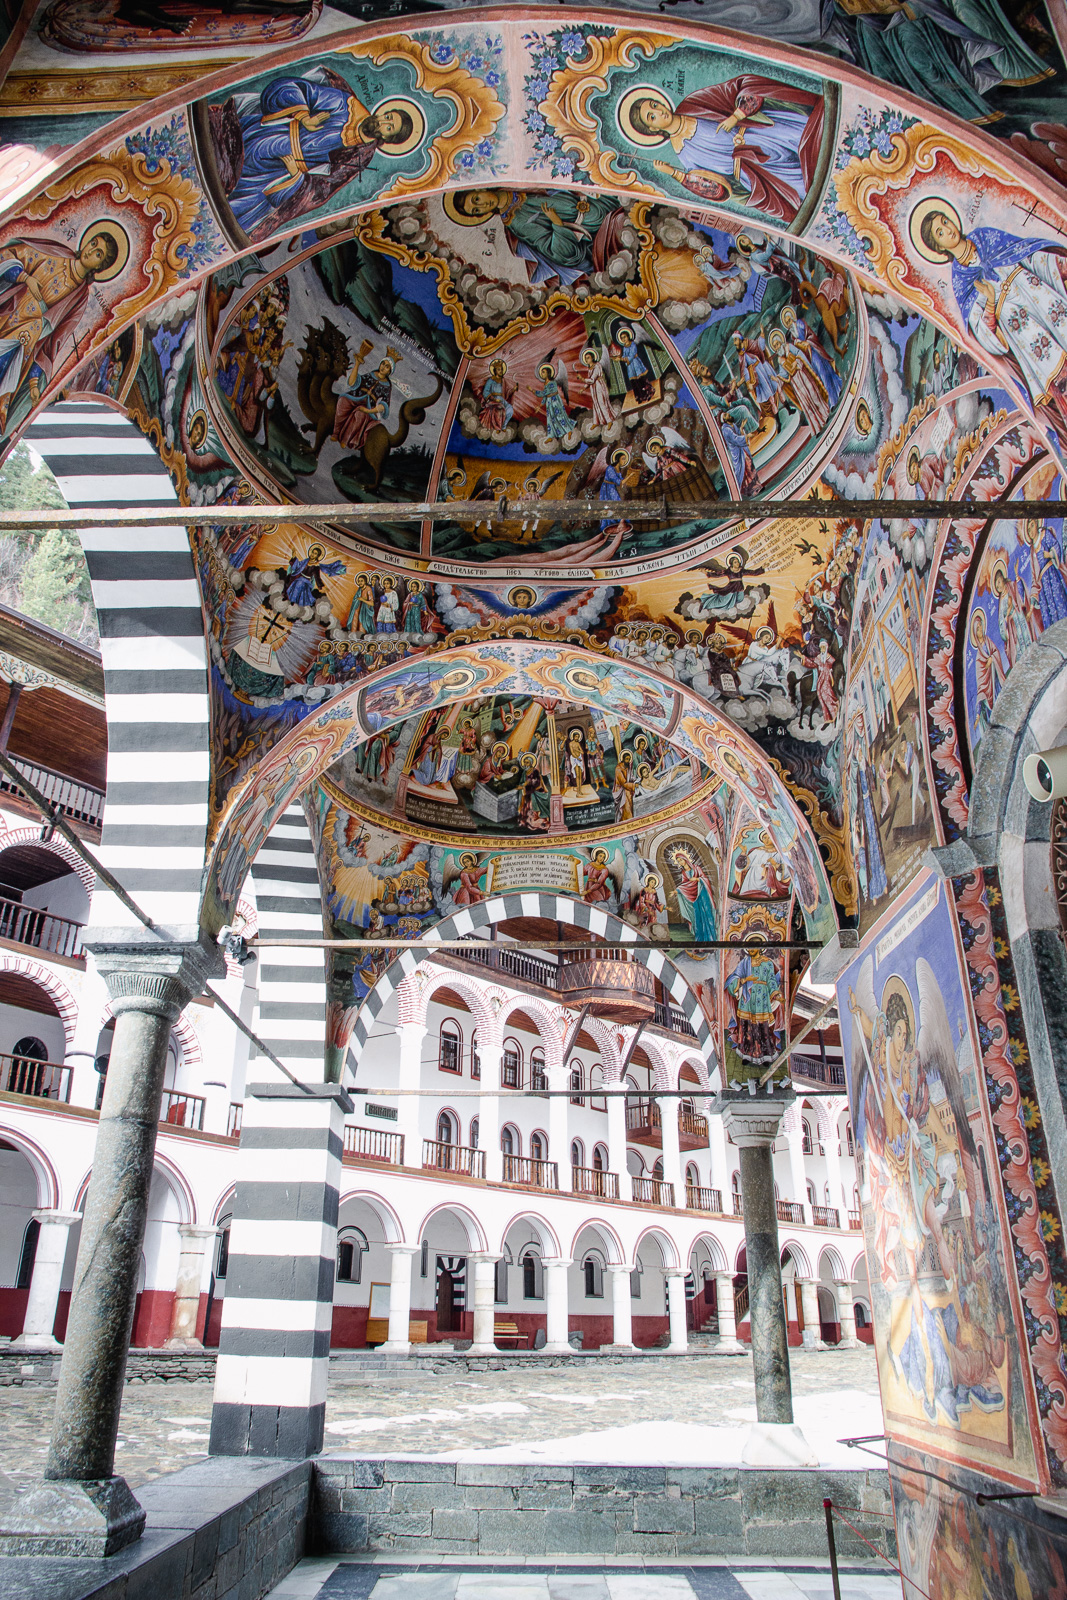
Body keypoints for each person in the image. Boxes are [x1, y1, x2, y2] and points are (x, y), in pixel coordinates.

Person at [913, 204, 1067, 446]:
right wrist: (992, 301)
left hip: (1035, 292)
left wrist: (1055, 263)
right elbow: (984, 335)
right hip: (1018, 325)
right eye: (940, 233)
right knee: (1056, 369)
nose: (947, 229)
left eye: (944, 221)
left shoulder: (985, 237)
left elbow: (1021, 250)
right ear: (940, 248)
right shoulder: (961, 282)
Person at [224, 71, 420, 236]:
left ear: (386, 139)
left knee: (240, 213)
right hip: (273, 134)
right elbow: (299, 88)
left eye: (389, 127)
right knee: (238, 152)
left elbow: (323, 188)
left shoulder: (360, 156)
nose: (382, 123)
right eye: (387, 117)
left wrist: (296, 175)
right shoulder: (345, 105)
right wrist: (303, 116)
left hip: (280, 172)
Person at [624, 76, 825, 225]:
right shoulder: (683, 154)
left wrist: (736, 116)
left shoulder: (693, 105)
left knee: (811, 136)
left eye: (655, 105)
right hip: (753, 171)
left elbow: (738, 88)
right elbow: (714, 189)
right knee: (807, 189)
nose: (659, 111)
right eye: (652, 116)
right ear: (653, 129)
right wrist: (675, 174)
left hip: (760, 134)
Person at [0, 228, 123, 432]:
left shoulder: (80, 298)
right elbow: (12, 255)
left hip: (27, 341)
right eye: (94, 243)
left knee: (30, 333)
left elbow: (52, 342)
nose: (91, 251)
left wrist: (33, 381)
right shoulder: (55, 254)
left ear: (100, 266)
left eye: (98, 254)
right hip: (9, 312)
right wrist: (25, 278)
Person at [442, 188, 624, 285]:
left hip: (599, 200)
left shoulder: (514, 184)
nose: (482, 205)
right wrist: (557, 223)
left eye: (476, 200)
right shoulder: (517, 222)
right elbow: (560, 254)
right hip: (597, 227)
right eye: (477, 210)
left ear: (478, 189)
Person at [535, 361, 572, 438]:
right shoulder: (545, 384)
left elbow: (544, 393)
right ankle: (551, 436)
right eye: (541, 373)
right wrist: (540, 406)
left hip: (555, 401)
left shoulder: (552, 383)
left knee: (559, 416)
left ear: (548, 373)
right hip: (549, 402)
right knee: (550, 419)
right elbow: (545, 396)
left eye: (543, 372)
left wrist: (532, 390)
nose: (541, 374)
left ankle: (568, 431)